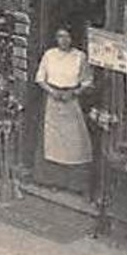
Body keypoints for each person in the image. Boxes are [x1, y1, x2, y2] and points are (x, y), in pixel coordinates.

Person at [36, 28, 95, 181]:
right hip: (52, 99)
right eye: (60, 36)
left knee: (75, 142)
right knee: (52, 141)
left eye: (67, 36)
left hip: (71, 100)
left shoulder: (79, 56)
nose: (64, 40)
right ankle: (51, 179)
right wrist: (51, 91)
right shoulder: (49, 55)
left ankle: (73, 181)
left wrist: (74, 92)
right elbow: (40, 78)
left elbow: (87, 81)